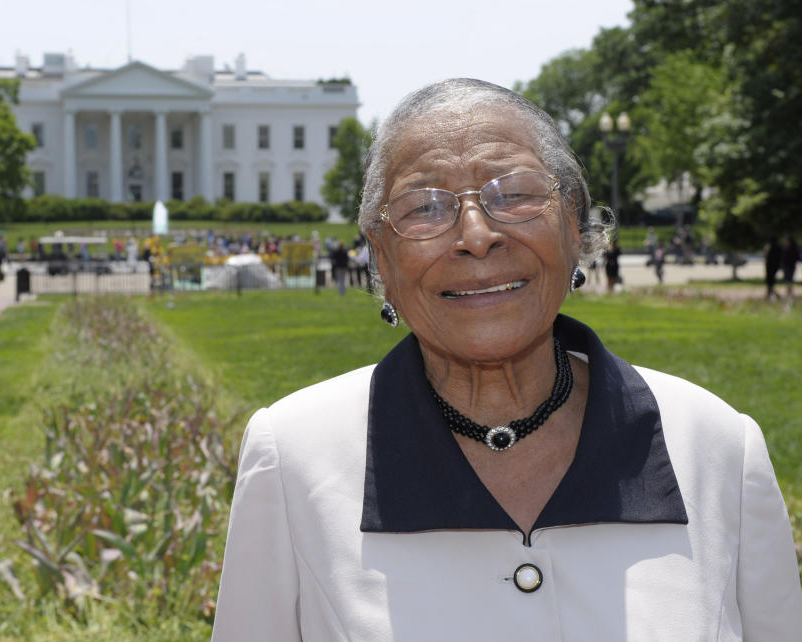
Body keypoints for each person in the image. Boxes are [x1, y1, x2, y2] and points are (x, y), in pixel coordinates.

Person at [212, 79, 802, 641]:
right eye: (424, 208)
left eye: (514, 195)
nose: (475, 233)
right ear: (381, 259)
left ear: (574, 226)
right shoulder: (292, 458)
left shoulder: (717, 446)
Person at [764, 236, 783, 301]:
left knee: (769, 282)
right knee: (772, 281)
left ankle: (770, 295)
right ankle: (771, 295)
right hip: (776, 266)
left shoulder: (769, 247)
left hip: (769, 266)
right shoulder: (779, 247)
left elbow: (765, 256)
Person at [780, 236, 799, 300]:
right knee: (790, 280)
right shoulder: (795, 248)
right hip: (792, 266)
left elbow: (783, 258)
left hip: (787, 266)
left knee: (788, 280)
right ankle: (790, 293)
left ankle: (789, 293)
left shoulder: (786, 248)